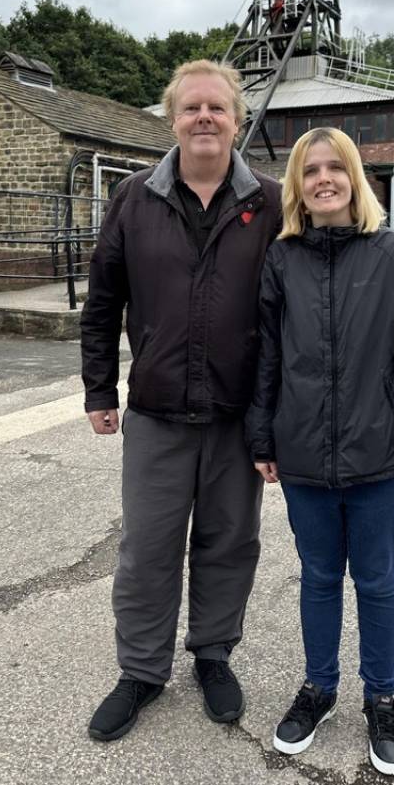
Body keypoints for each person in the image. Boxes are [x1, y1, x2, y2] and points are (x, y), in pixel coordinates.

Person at [81, 59, 281, 742]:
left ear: (236, 120)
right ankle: (141, 669)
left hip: (237, 418)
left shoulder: (271, 204)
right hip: (157, 413)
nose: (204, 118)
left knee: (230, 543)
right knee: (146, 550)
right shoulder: (134, 198)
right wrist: (99, 387)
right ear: (172, 118)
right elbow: (104, 298)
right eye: (191, 107)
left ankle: (214, 653)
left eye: (216, 108)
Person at [245, 127, 394, 776]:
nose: (324, 178)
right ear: (297, 185)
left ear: (355, 177)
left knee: (380, 581)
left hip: (381, 458)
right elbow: (267, 355)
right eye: (310, 170)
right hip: (303, 455)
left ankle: (381, 696)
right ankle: (320, 687)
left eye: (336, 167)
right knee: (321, 578)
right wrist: (262, 435)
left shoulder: (392, 255)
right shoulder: (282, 259)